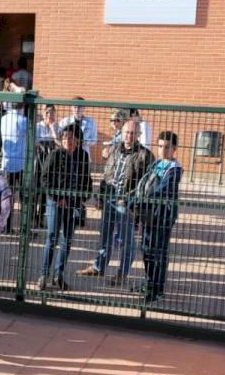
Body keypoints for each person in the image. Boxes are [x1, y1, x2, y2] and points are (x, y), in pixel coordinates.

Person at [77, 119, 155, 287]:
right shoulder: (114, 149)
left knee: (127, 242)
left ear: (139, 135)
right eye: (127, 132)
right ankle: (99, 266)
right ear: (122, 133)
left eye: (133, 133)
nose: (129, 136)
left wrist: (132, 203)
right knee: (104, 236)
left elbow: (145, 184)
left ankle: (122, 274)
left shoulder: (145, 155)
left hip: (126, 205)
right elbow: (106, 174)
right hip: (109, 200)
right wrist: (99, 197)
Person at [39, 123, 92, 290]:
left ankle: (58, 275)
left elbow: (87, 179)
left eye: (72, 138)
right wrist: (58, 196)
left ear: (78, 140)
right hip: (56, 202)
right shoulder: (55, 155)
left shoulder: (82, 156)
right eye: (65, 138)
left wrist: (84, 196)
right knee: (52, 236)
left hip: (74, 203)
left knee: (67, 239)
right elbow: (45, 178)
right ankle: (43, 275)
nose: (68, 141)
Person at [137, 131, 182, 303]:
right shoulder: (155, 164)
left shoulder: (175, 169)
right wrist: (134, 199)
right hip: (149, 214)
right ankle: (150, 283)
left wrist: (143, 200)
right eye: (160, 146)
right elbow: (143, 184)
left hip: (163, 215)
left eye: (167, 147)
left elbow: (163, 189)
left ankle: (158, 289)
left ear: (174, 149)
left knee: (159, 252)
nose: (163, 150)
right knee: (146, 249)